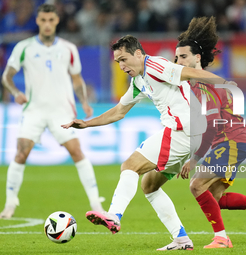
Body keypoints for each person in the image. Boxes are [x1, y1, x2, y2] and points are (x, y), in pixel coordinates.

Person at [62, 34, 235, 250]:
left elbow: (190, 72)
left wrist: (223, 84)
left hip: (182, 129)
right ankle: (181, 239)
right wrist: (87, 124)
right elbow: (118, 112)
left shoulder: (155, 66)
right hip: (188, 134)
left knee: (130, 166)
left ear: (138, 53)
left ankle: (114, 215)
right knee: (149, 185)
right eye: (118, 62)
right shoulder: (138, 81)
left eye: (124, 59)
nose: (121, 65)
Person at [175, 16, 246, 248]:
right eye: (176, 58)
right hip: (232, 142)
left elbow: (213, 123)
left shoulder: (202, 84)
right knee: (214, 197)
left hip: (230, 142)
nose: (178, 61)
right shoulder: (199, 83)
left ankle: (222, 238)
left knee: (196, 185)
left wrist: (194, 159)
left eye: (183, 56)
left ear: (197, 57)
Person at [0, 4, 104, 219]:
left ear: (57, 21)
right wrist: (15, 92)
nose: (47, 24)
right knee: (21, 154)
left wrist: (84, 102)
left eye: (51, 20)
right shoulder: (24, 47)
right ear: (37, 21)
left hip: (61, 112)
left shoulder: (68, 48)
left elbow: (77, 79)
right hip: (34, 111)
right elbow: (6, 77)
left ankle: (96, 203)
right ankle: (10, 204)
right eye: (43, 20)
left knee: (77, 152)